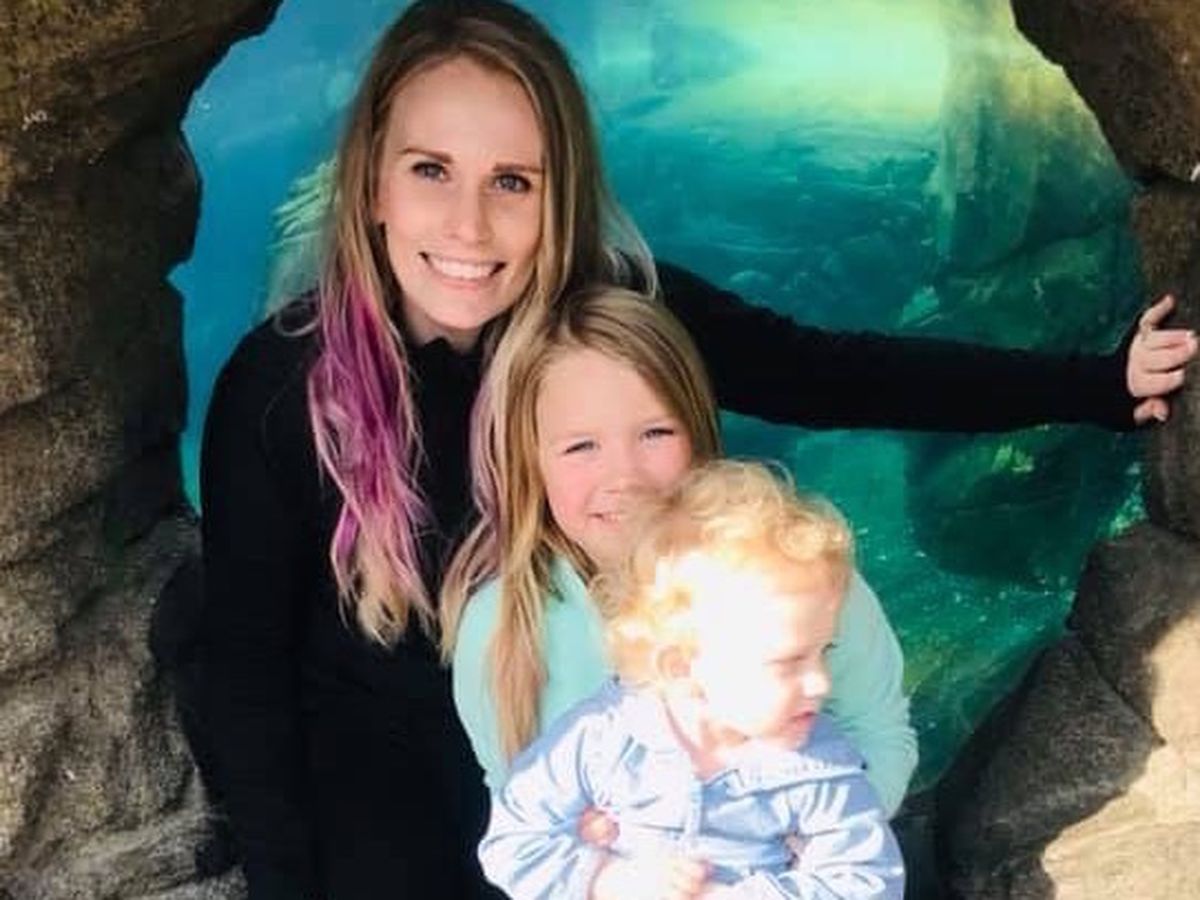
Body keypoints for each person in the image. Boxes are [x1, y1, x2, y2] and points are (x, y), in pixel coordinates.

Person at [191, 1, 1194, 897]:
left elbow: (836, 374)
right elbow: (247, 657)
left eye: (513, 181)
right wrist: (281, 877)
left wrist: (1095, 386)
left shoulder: (614, 323)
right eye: (429, 170)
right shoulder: (284, 387)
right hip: (386, 765)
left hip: (607, 764)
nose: (468, 224)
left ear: (561, 194)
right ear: (370, 183)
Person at [446, 286, 914, 817]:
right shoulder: (498, 629)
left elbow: (878, 731)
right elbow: (517, 809)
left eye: (655, 433)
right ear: (531, 463)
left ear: (698, 430)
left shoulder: (797, 572)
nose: (624, 475)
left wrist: (817, 848)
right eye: (581, 446)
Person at [479, 460, 905, 900]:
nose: (820, 682)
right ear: (681, 666)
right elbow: (513, 842)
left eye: (823, 652)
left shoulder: (817, 764)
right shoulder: (602, 739)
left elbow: (870, 881)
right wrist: (609, 880)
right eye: (788, 662)